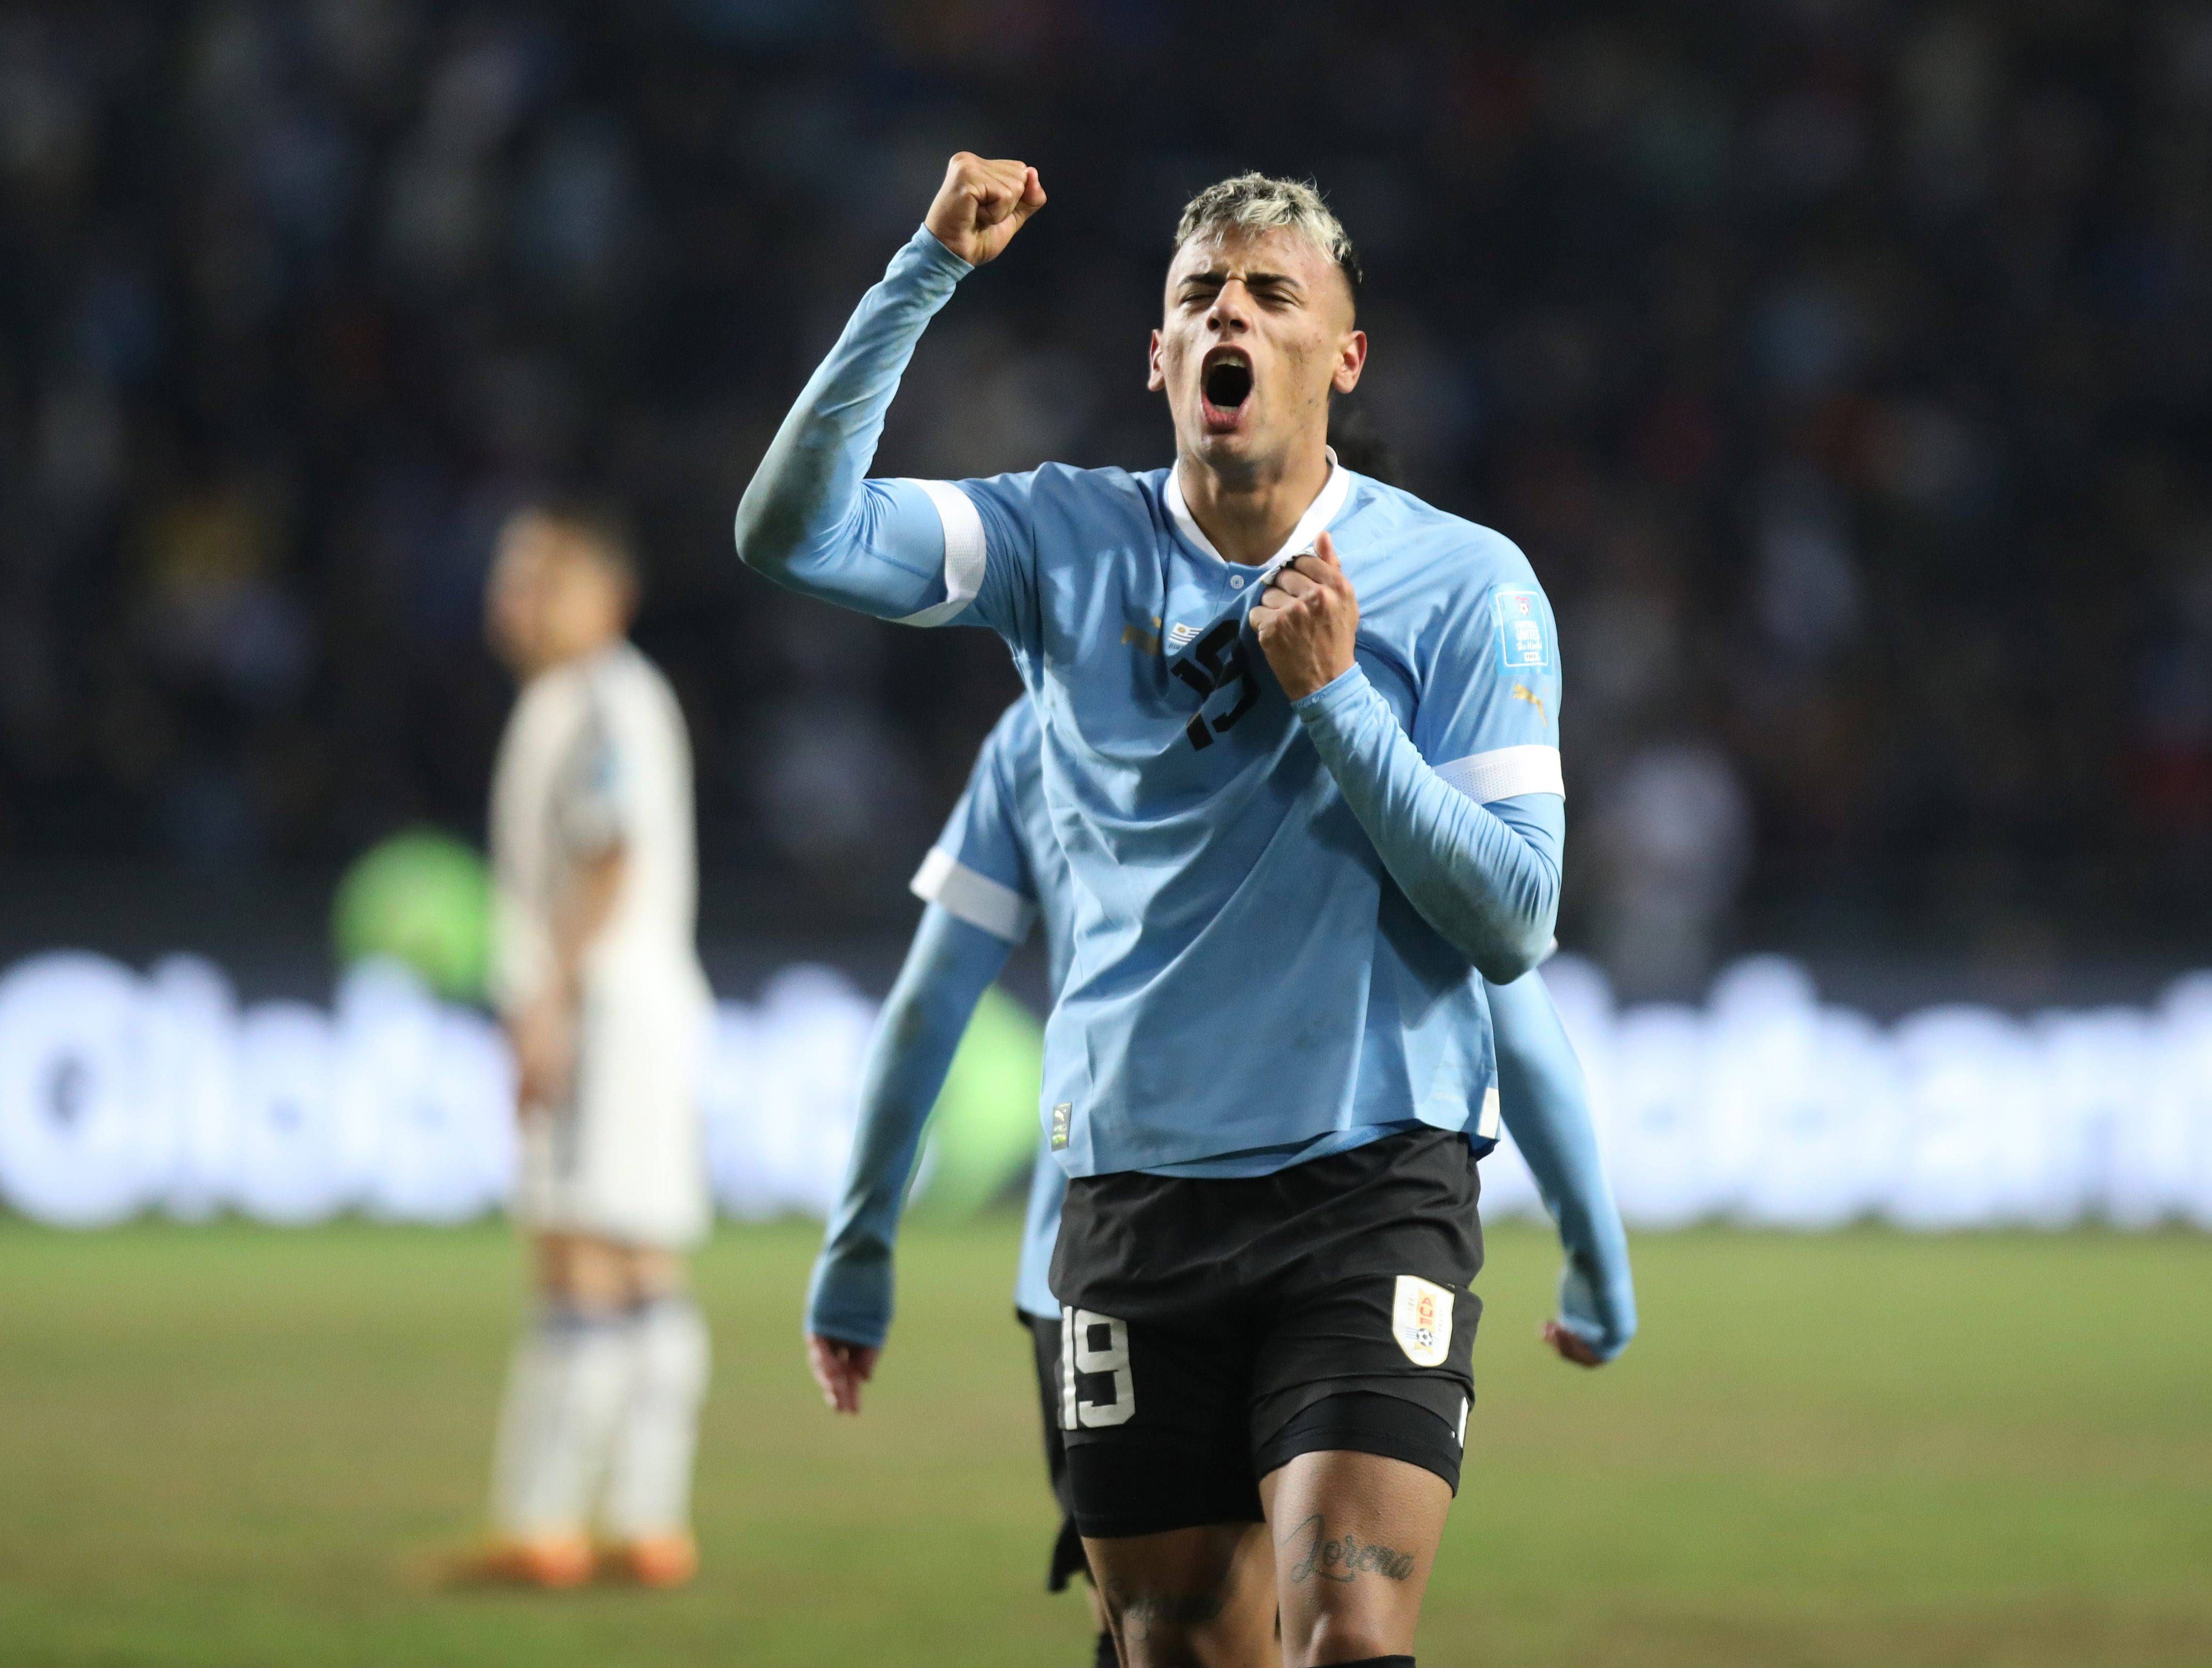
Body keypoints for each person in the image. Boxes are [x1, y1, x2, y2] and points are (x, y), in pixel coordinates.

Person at [735, 154, 1590, 1666]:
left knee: (1345, 1632)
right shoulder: (1062, 543)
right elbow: (789, 535)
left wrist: (1333, 705)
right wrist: (922, 269)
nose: (1230, 316)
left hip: (1369, 1183)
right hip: (1131, 1199)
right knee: (1180, 1645)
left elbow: (1513, 921)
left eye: (1272, 294)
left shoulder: (1463, 586)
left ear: (1342, 356)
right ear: (1157, 356)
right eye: (1199, 293)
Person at [802, 696, 1635, 1668]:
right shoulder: (1367, 717)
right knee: (1271, 1632)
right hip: (1290, 1224)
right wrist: (1591, 1249)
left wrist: (860, 1247)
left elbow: (931, 1000)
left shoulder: (1051, 720)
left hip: (1119, 1253)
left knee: (1231, 1632)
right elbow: (1508, 1002)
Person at [455, 503, 713, 1589]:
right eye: (508, 581)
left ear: (601, 595)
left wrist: (548, 1004)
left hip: (607, 1007)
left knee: (579, 1256)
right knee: (644, 1264)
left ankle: (546, 1523)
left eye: (536, 581)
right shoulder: (616, 695)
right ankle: (646, 1522)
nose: (510, 602)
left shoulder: (593, 697)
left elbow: (605, 857)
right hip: (646, 1000)